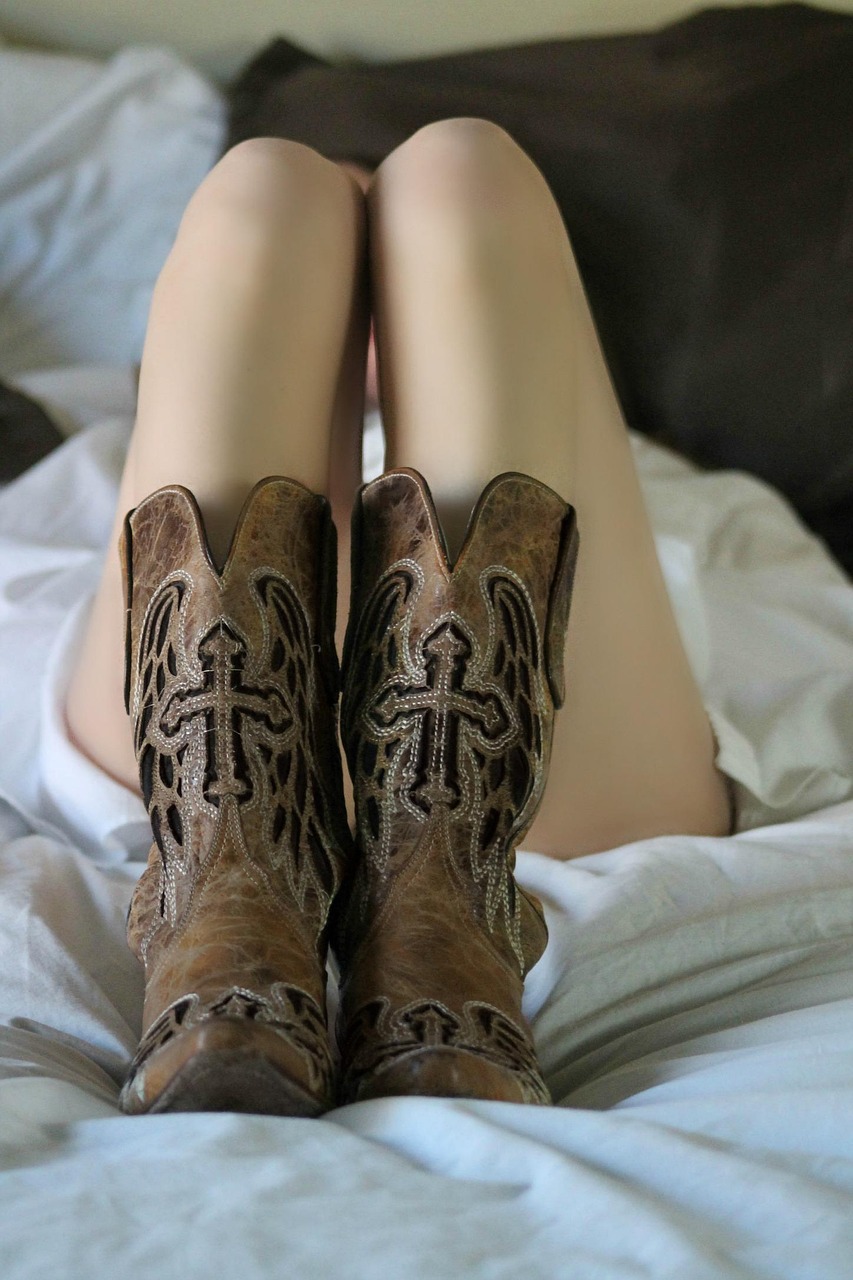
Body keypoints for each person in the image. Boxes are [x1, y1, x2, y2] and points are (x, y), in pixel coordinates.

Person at [63, 119, 734, 1116]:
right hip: (188, 776)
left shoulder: (674, 473)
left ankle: (386, 924)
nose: (370, 293)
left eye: (377, 270)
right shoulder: (80, 459)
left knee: (454, 175)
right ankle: (265, 916)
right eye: (358, 275)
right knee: (272, 188)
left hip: (519, 787)